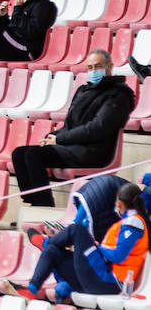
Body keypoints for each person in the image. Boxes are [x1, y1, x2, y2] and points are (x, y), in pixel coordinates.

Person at [11, 49, 134, 206]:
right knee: (19, 153)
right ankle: (32, 203)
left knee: (32, 155)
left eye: (98, 66)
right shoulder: (84, 90)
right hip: (74, 146)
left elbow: (96, 128)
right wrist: (53, 136)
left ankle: (43, 205)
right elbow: (71, 124)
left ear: (109, 67)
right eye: (90, 67)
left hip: (93, 151)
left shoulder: (118, 94)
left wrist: (60, 139)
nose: (93, 71)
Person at [1, 181, 146, 300]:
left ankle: (45, 243)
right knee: (53, 252)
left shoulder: (134, 222)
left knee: (77, 229)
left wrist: (96, 247)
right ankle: (32, 290)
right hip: (99, 277)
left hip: (109, 282)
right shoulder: (127, 222)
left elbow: (118, 256)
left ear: (120, 203)